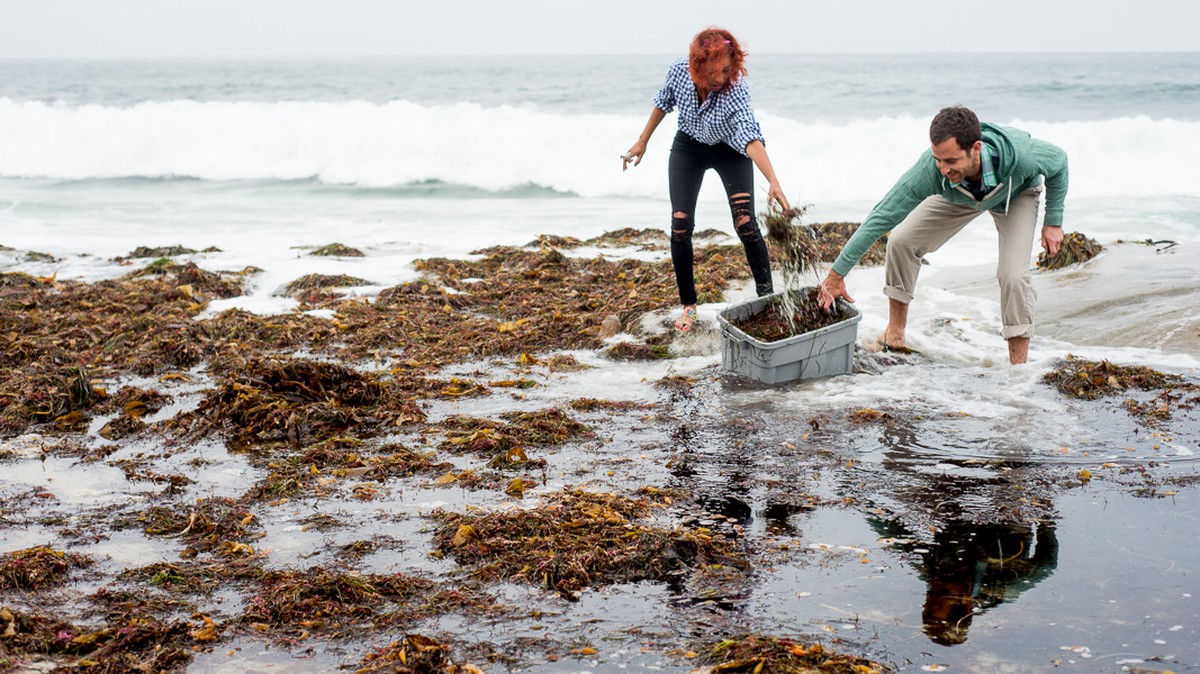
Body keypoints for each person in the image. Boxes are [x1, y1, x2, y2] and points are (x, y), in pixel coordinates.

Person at [816, 106, 1068, 364]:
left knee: (1013, 275)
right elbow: (882, 215)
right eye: (938, 159)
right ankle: (894, 334)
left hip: (1016, 194)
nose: (943, 168)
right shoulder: (934, 170)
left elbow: (1059, 162)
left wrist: (1053, 221)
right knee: (901, 241)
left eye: (951, 160)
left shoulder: (1021, 155)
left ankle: (1018, 369)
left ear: (976, 149)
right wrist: (837, 275)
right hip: (961, 193)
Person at [623, 27, 790, 332]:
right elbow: (663, 102)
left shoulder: (735, 89)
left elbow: (750, 137)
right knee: (680, 224)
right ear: (698, 65)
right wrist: (642, 140)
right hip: (689, 147)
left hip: (731, 150)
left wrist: (773, 180)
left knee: (745, 223)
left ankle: (767, 300)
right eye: (713, 71)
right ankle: (688, 307)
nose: (720, 78)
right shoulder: (679, 71)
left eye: (726, 70)